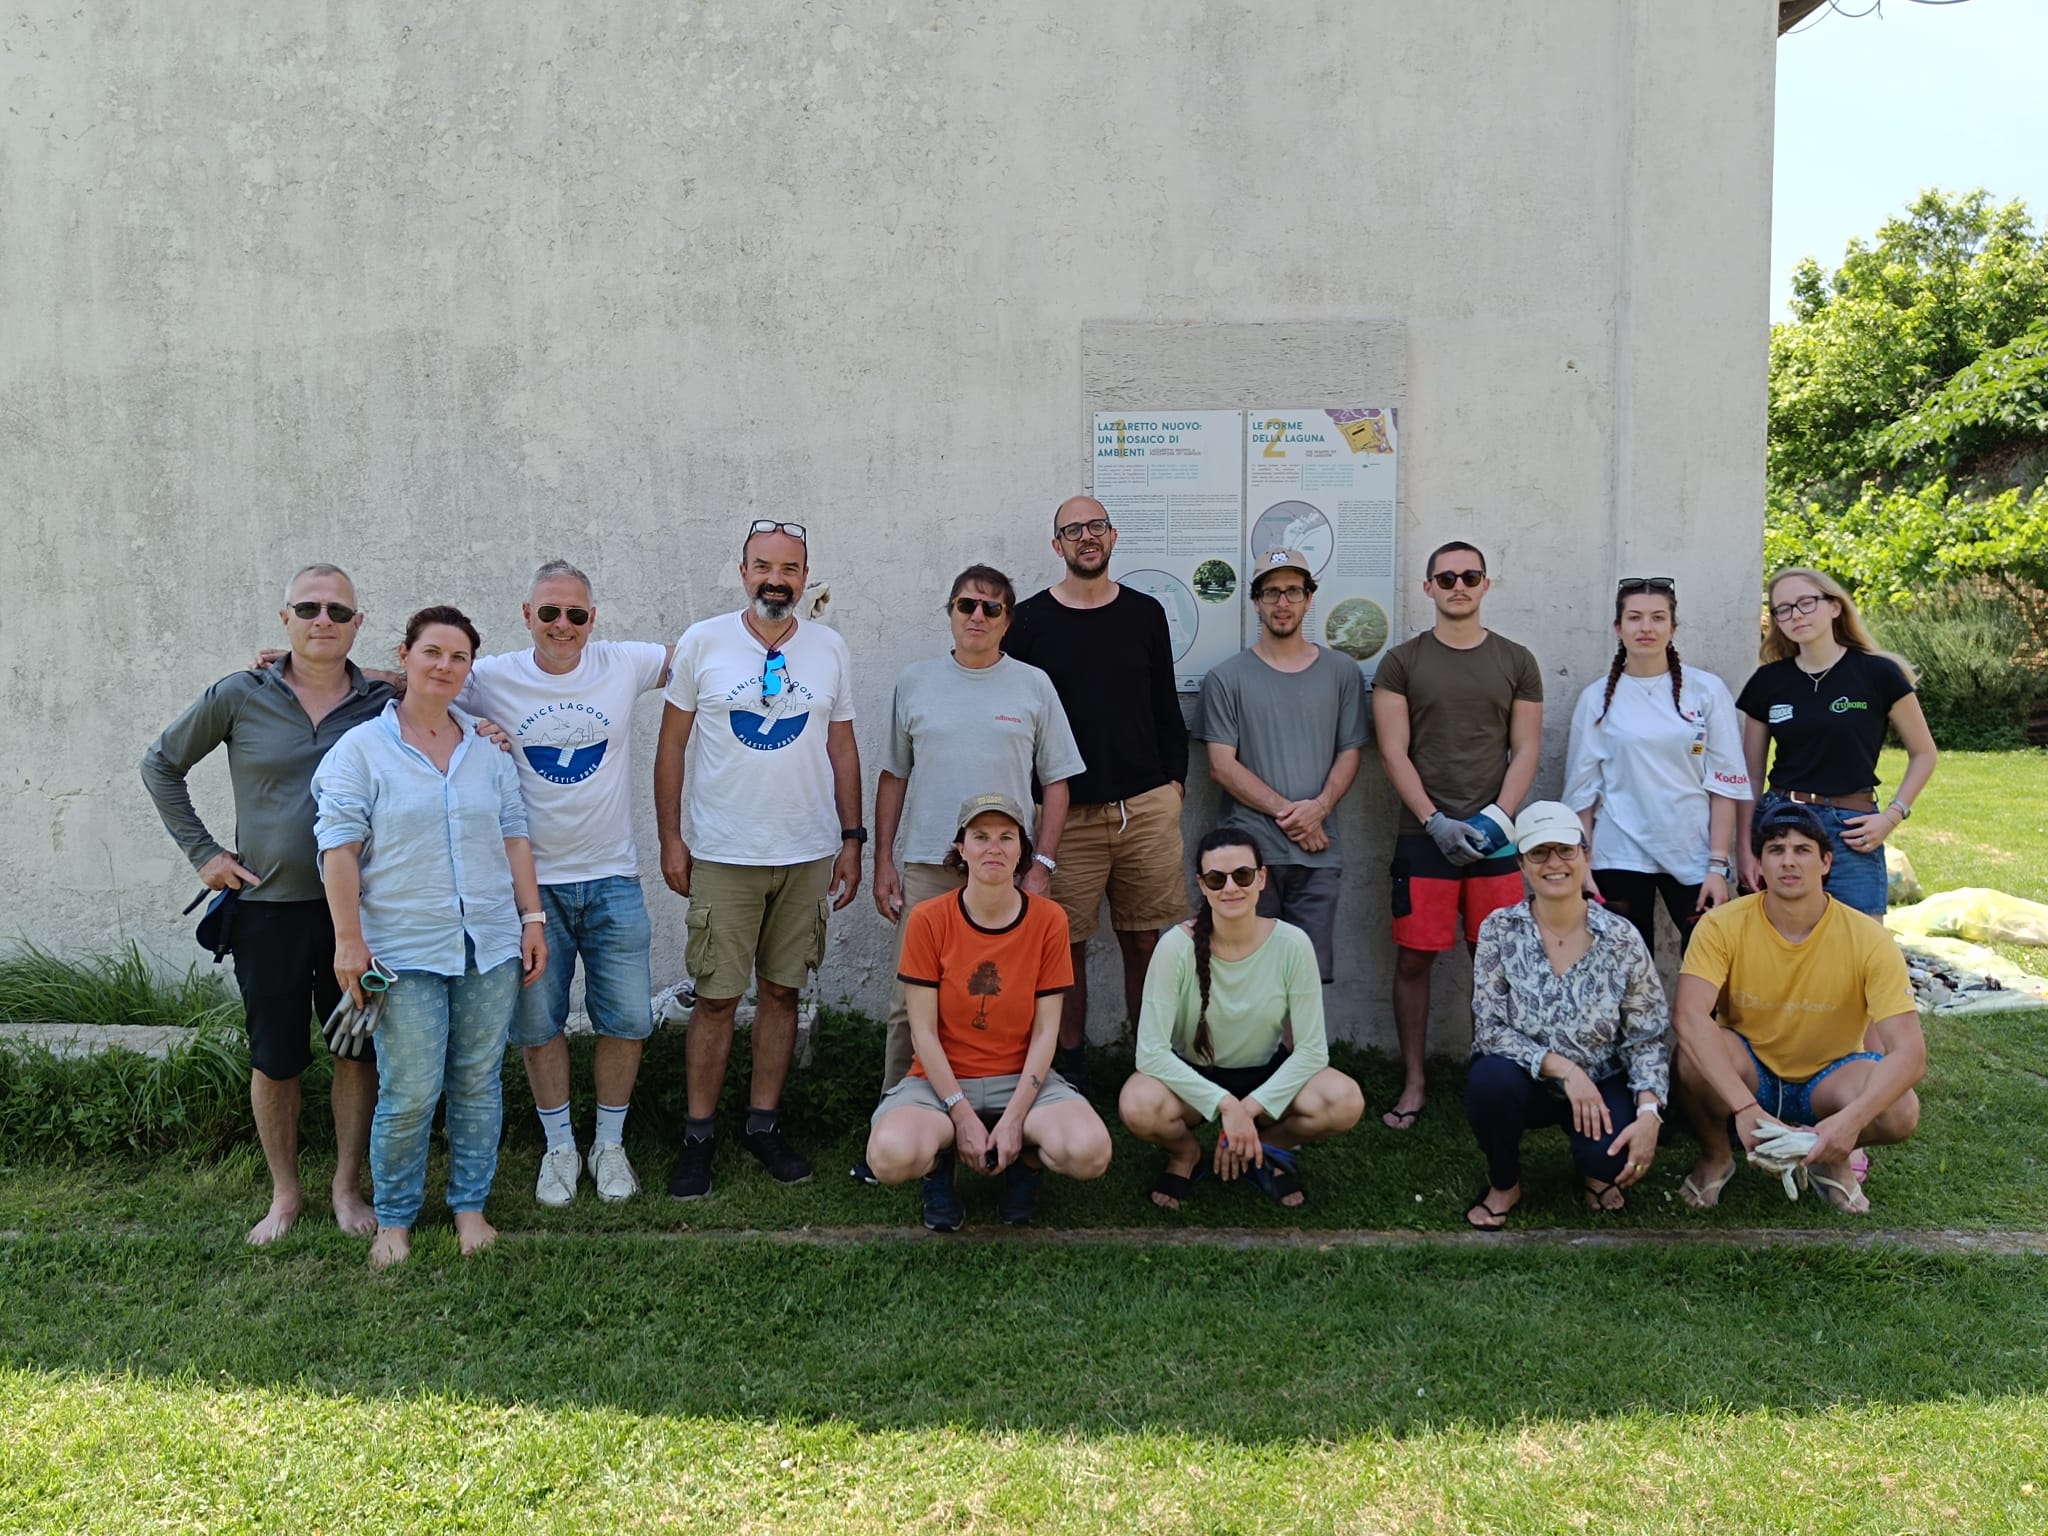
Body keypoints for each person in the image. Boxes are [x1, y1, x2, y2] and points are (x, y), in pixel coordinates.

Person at [140, 563, 395, 1245]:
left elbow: (443, 694)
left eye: (339, 611)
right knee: (275, 1057)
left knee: (355, 1051)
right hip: (268, 913)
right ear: (285, 618)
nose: (323, 621)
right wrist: (204, 854)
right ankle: (285, 1193)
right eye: (308, 608)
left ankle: (346, 1186)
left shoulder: (379, 701)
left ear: (356, 625)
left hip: (358, 914)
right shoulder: (239, 695)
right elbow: (160, 764)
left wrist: (484, 728)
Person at [312, 606, 549, 1271]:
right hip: (403, 948)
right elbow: (338, 848)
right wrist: (347, 940)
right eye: (433, 653)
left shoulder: (487, 745)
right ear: (406, 656)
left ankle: (470, 1207)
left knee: (476, 1081)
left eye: (459, 658)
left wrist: (532, 919)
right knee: (411, 1089)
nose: (445, 666)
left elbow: (514, 834)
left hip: (489, 943)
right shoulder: (360, 751)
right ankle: (395, 1219)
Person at [449, 560, 675, 1206]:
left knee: (627, 1019)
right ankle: (558, 1149)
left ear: (592, 619)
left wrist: (778, 628)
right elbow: (418, 687)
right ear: (526, 616)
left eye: (576, 614)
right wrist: (319, 670)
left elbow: (701, 658)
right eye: (549, 613)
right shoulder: (492, 679)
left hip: (613, 879)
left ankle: (609, 1145)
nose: (563, 625)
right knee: (537, 1023)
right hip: (530, 890)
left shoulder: (621, 663)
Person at [654, 520, 862, 1199]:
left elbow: (842, 749)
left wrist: (852, 839)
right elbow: (672, 747)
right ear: (742, 572)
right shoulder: (703, 643)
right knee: (715, 999)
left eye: (792, 568)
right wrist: (671, 838)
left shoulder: (830, 648)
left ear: (806, 576)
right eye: (764, 566)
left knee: (783, 992)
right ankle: (698, 1136)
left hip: (806, 851)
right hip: (723, 851)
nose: (778, 579)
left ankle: (764, 1125)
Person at [1003, 495, 1191, 1091]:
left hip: (1146, 806)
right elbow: (1016, 716)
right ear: (1056, 545)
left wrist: (1174, 785)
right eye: (1073, 530)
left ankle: (1151, 1065)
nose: (1087, 537)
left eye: (1096, 526)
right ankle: (1072, 1069)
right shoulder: (1028, 622)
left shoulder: (1145, 614)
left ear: (1113, 537)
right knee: (1067, 946)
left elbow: (1166, 706)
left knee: (1145, 938)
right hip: (1066, 814)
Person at [872, 564, 1084, 1090]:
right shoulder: (914, 681)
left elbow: (1057, 782)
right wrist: (882, 863)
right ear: (950, 613)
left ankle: (1012, 1109)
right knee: (909, 1001)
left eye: (992, 608)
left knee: (1007, 998)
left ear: (1007, 621)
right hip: (928, 866)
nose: (978, 616)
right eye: (967, 605)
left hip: (1004, 872)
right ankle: (897, 1113)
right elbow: (894, 776)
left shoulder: (1034, 685)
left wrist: (1043, 865)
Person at [863, 794, 1113, 1230]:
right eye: (980, 837)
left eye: (1006, 837)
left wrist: (1015, 1118)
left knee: (1090, 1152)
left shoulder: (1049, 920)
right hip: (940, 1080)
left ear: (1022, 852)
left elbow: (1045, 1032)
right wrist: (960, 1114)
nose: (993, 848)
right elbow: (922, 1032)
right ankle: (937, 1169)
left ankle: (1026, 1166)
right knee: (889, 1155)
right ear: (961, 848)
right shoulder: (928, 919)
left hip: (1020, 1078)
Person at [1671, 801, 1925, 1215]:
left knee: (1902, 1109)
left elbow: (1910, 1054)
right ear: (1760, 864)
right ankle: (1716, 1155)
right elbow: (1688, 1016)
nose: (1789, 861)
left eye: (1802, 850)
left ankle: (1832, 1153)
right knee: (1692, 1058)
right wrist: (1745, 1108)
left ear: (1826, 862)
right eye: (1776, 850)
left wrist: (1851, 1121)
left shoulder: (1868, 937)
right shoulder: (1721, 924)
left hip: (1830, 1079)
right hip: (1752, 1072)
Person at [1371, 540, 1543, 1130]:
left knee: (1493, 960)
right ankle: (1415, 1082)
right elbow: (1393, 751)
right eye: (1445, 578)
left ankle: (1495, 1076)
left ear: (1486, 585)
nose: (1458, 586)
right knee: (1415, 960)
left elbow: (1527, 748)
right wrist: (1433, 820)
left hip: (1495, 839)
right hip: (1424, 838)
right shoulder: (1401, 662)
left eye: (1470, 575)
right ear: (1429, 589)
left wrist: (1497, 819)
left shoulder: (1517, 660)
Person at [1118, 828, 1365, 1211]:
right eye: (1217, 878)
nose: (1230, 887)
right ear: (1202, 885)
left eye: (1243, 875)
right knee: (1137, 1103)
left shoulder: (1292, 943)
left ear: (1262, 878)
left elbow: (1313, 1052)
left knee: (1344, 1100)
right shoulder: (1175, 947)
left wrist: (1247, 1109)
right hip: (1195, 1075)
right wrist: (1226, 1106)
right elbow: (1150, 1053)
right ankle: (1186, 1155)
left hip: (1264, 1071)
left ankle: (1265, 1148)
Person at [1461, 802, 1670, 1229]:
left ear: (1585, 855)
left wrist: (1650, 1113)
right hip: (1525, 1078)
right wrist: (1565, 1071)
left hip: (1602, 1079)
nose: (1554, 863)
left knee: (1612, 1161)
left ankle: (1593, 1170)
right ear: (1521, 864)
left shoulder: (1621, 938)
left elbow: (1646, 1036)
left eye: (1565, 850)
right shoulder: (1499, 930)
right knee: (1488, 1082)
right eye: (1539, 852)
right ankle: (1505, 1182)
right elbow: (1490, 1028)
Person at [1195, 548, 1370, 985]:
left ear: (1310, 598)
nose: (1283, 603)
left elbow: (1351, 750)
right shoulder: (1226, 678)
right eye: (1271, 592)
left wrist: (1321, 808)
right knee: (1246, 972)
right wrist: (1294, 817)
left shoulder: (1342, 672)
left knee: (1304, 978)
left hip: (1319, 854)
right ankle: (1251, 1057)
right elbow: (1221, 765)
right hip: (1248, 860)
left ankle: (1299, 1057)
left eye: (1293, 591)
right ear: (1255, 601)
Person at [1735, 567, 1937, 918]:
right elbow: (1750, 776)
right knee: (1781, 945)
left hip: (1852, 829)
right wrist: (1744, 848)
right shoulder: (1767, 682)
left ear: (1835, 607)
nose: (1795, 615)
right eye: (1783, 609)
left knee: (1861, 946)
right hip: (1781, 822)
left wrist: (1892, 816)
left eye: (1806, 603)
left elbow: (1924, 754)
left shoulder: (1879, 674)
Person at [1563, 577, 1750, 957]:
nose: (1645, 627)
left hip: (1694, 857)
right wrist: (1582, 868)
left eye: (1657, 617)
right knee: (1624, 981)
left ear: (1672, 627)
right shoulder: (1595, 699)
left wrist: (1718, 866)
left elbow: (1725, 785)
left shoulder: (1707, 691)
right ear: (1618, 627)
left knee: (1709, 974)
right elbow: (1581, 794)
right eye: (1634, 617)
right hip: (1617, 857)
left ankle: (1694, 1022)